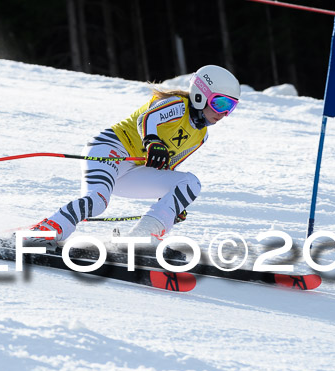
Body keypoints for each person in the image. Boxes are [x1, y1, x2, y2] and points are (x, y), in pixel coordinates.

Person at [29, 64, 241, 247]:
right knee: (97, 201)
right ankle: (45, 230)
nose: (224, 113)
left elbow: (168, 166)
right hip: (110, 150)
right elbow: (147, 118)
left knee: (190, 183)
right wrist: (152, 141)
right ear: (200, 95)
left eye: (230, 107)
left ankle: (142, 239)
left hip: (133, 171)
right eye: (220, 103)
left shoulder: (201, 136)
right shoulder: (178, 105)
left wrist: (173, 204)